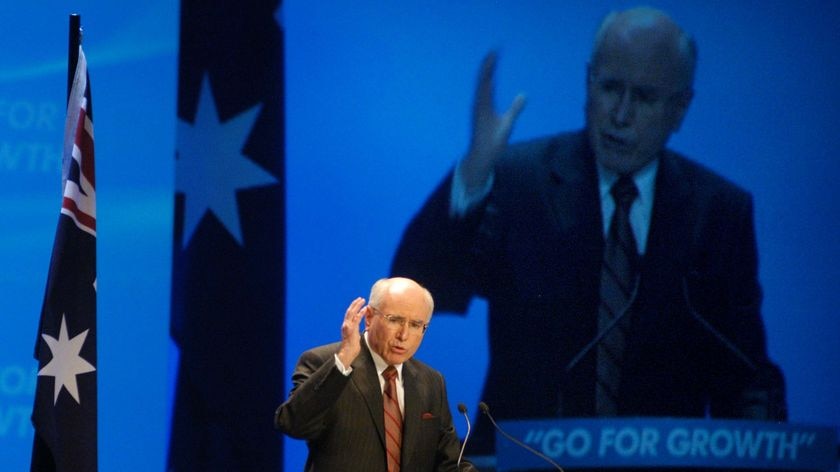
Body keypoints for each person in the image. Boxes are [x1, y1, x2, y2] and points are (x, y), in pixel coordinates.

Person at [391, 6, 786, 457]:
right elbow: (419, 283)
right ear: (588, 84)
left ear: (679, 109)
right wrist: (474, 175)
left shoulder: (716, 213)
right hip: (523, 461)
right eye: (610, 88)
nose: (620, 114)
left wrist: (771, 450)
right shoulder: (523, 182)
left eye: (644, 97)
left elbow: (745, 375)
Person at [275, 277, 477, 471]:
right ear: (369, 317)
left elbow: (448, 463)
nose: (404, 335)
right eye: (395, 320)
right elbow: (293, 425)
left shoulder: (431, 382)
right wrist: (344, 359)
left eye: (415, 325)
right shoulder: (324, 362)